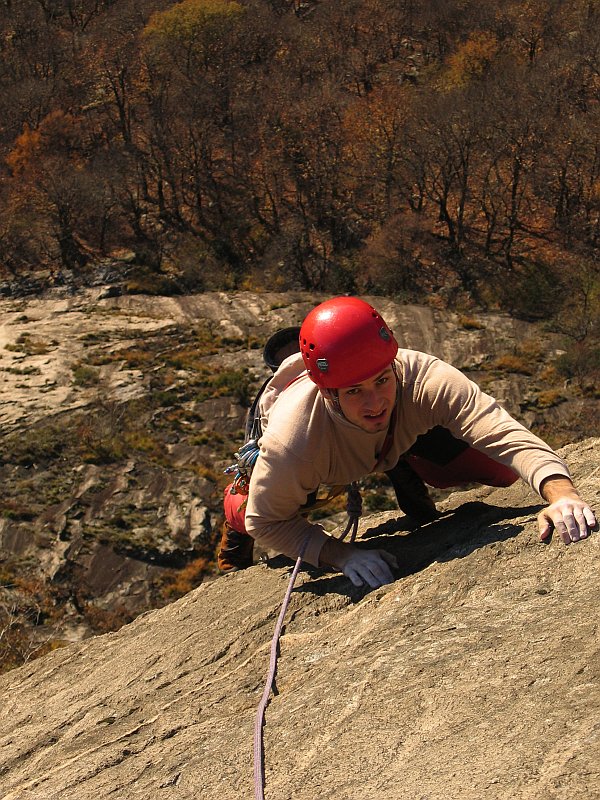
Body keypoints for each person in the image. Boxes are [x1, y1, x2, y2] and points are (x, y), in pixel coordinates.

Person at [217, 297, 596, 588]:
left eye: (382, 380)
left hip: (391, 438)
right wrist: (340, 554)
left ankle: (397, 457)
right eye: (355, 391)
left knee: (500, 472)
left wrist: (560, 492)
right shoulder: (294, 440)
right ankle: (235, 513)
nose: (374, 402)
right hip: (321, 456)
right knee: (246, 510)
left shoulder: (421, 376)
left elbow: (500, 431)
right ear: (329, 395)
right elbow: (266, 521)